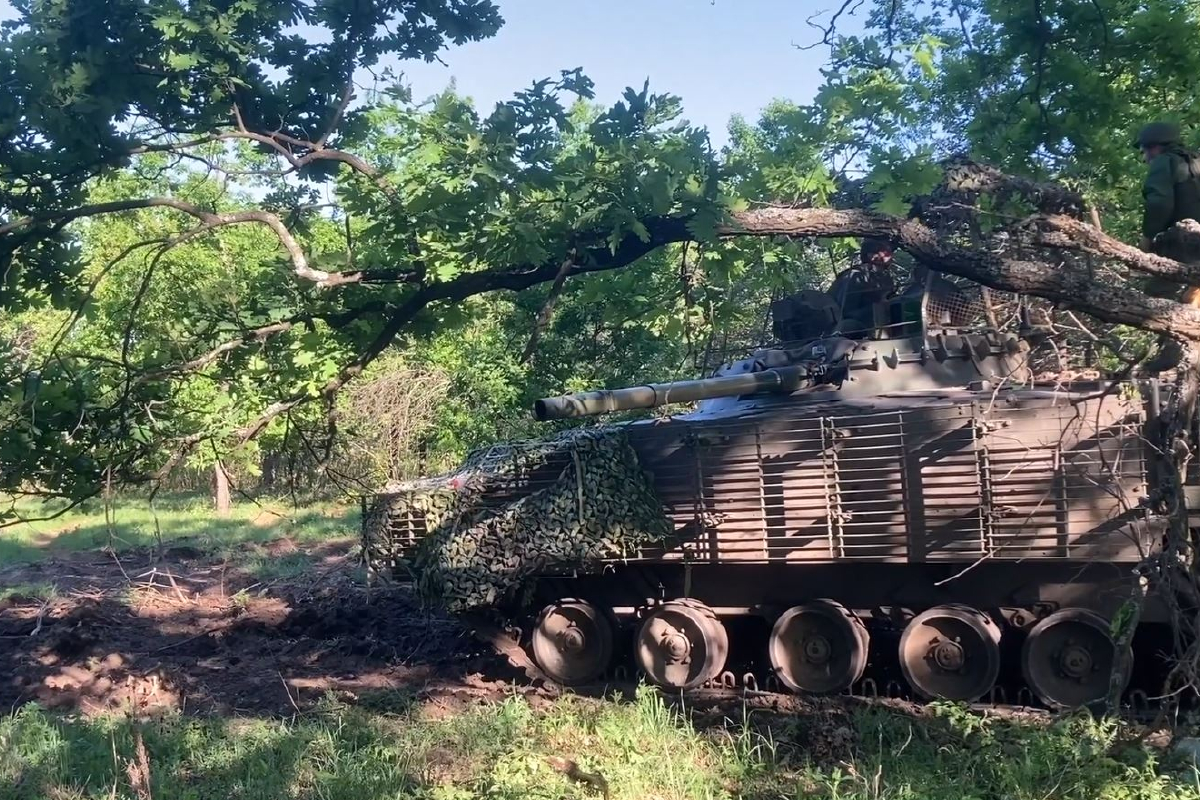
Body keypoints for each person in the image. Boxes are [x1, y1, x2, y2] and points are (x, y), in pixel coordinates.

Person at [1135, 121, 1200, 372]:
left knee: (1156, 299)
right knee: (1193, 297)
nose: (1145, 157)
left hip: (1181, 246)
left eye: (1145, 151)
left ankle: (1171, 358)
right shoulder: (1196, 162)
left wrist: (1147, 238)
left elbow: (1159, 203)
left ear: (1155, 148)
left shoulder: (1165, 162)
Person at [828, 238, 896, 337]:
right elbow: (845, 312)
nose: (890, 255)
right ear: (871, 256)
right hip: (858, 327)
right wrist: (879, 307)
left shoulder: (884, 276)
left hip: (884, 325)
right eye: (885, 251)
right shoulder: (855, 275)